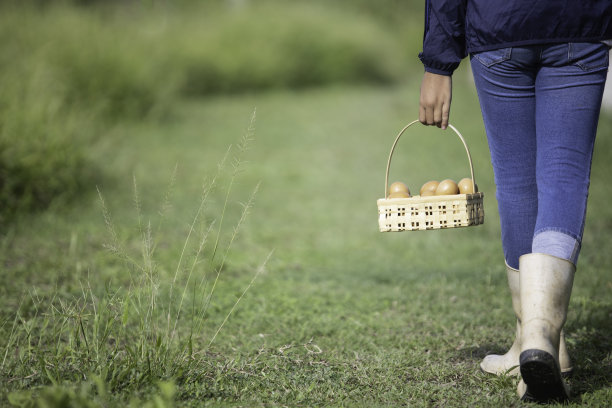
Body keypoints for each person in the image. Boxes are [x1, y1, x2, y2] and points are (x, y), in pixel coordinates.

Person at [418, 0, 611, 403]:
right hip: (580, 22)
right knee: (564, 177)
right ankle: (542, 338)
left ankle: (532, 337)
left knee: (517, 182)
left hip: (500, 23)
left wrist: (438, 62)